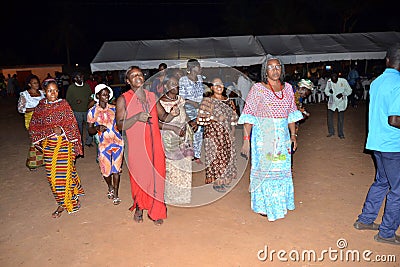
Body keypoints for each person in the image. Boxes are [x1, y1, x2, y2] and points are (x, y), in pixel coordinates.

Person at [238, 56, 303, 221]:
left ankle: (280, 202)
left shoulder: (288, 88)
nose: (275, 70)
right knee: (266, 171)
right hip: (263, 137)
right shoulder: (258, 89)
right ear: (265, 71)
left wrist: (293, 135)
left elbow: (291, 115)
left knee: (281, 171)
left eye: (277, 67)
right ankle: (264, 205)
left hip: (282, 137)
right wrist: (246, 140)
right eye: (270, 67)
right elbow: (248, 116)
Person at [116, 66, 180, 225]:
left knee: (157, 177)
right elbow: (119, 125)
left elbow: (163, 117)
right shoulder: (124, 99)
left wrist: (172, 114)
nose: (138, 77)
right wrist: (136, 117)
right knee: (140, 178)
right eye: (133, 75)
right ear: (128, 81)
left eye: (139, 74)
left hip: (155, 145)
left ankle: (156, 210)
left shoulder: (152, 96)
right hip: (138, 147)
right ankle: (139, 206)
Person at [353, 45, 400, 245]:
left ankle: (365, 220)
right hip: (393, 145)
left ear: (387, 60)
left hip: (377, 143)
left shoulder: (377, 81)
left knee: (382, 182)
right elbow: (395, 120)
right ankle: (386, 232)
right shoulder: (398, 83)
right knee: (398, 190)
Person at [29, 79, 84, 218]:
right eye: (49, 90)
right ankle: (61, 200)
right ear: (44, 92)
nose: (53, 93)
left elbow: (72, 124)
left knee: (64, 174)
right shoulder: (41, 107)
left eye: (55, 90)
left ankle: (66, 203)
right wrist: (46, 135)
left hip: (65, 144)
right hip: (49, 146)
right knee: (52, 176)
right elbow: (34, 126)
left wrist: (62, 130)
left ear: (58, 91)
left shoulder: (64, 105)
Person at [197, 77, 238, 193]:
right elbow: (200, 120)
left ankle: (224, 180)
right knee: (215, 159)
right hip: (213, 135)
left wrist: (233, 134)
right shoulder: (207, 101)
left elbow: (233, 120)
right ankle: (217, 183)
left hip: (227, 135)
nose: (219, 86)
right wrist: (215, 119)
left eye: (220, 84)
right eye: (215, 85)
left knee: (226, 158)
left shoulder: (229, 101)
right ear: (211, 88)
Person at [158, 76, 193, 204]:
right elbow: (158, 123)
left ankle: (183, 197)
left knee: (186, 166)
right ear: (166, 86)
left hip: (184, 136)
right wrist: (174, 128)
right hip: (170, 138)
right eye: (173, 84)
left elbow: (184, 114)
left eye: (177, 84)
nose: (176, 86)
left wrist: (190, 122)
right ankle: (172, 197)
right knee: (173, 168)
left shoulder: (180, 100)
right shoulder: (160, 102)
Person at [87, 84, 124, 205]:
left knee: (116, 170)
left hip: (118, 142)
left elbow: (121, 123)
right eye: (103, 94)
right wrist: (97, 128)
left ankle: (116, 194)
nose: (106, 96)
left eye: (107, 94)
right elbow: (90, 130)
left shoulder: (114, 108)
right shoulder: (92, 111)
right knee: (106, 171)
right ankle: (110, 186)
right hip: (104, 144)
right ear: (98, 96)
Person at [17, 74, 46, 170]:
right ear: (29, 84)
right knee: (35, 141)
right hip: (31, 119)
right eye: (34, 83)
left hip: (42, 119)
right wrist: (34, 109)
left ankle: (44, 161)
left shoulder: (42, 93)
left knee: (44, 140)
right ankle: (32, 163)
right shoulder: (24, 94)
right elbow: (20, 109)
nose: (36, 84)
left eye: (37, 82)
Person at [179, 59, 204, 164]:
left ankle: (197, 155)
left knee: (199, 133)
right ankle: (187, 155)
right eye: (198, 66)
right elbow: (181, 98)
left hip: (199, 110)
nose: (200, 68)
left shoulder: (200, 79)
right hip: (187, 110)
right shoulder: (183, 80)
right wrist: (191, 102)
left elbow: (202, 94)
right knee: (188, 134)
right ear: (192, 68)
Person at [66, 71, 94, 148]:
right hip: (77, 111)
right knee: (79, 128)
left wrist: (90, 100)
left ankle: (88, 141)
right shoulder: (71, 88)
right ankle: (79, 142)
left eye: (82, 76)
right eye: (79, 77)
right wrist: (75, 102)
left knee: (89, 126)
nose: (81, 78)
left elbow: (90, 96)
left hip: (87, 109)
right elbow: (68, 100)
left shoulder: (86, 86)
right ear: (75, 78)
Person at [324, 72, 352, 139]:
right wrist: (329, 93)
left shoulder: (343, 81)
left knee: (341, 118)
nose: (333, 79)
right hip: (332, 101)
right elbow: (326, 91)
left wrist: (342, 94)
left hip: (341, 101)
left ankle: (341, 133)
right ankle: (331, 132)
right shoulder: (329, 82)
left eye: (335, 77)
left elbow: (349, 90)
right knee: (330, 117)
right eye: (332, 77)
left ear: (337, 77)